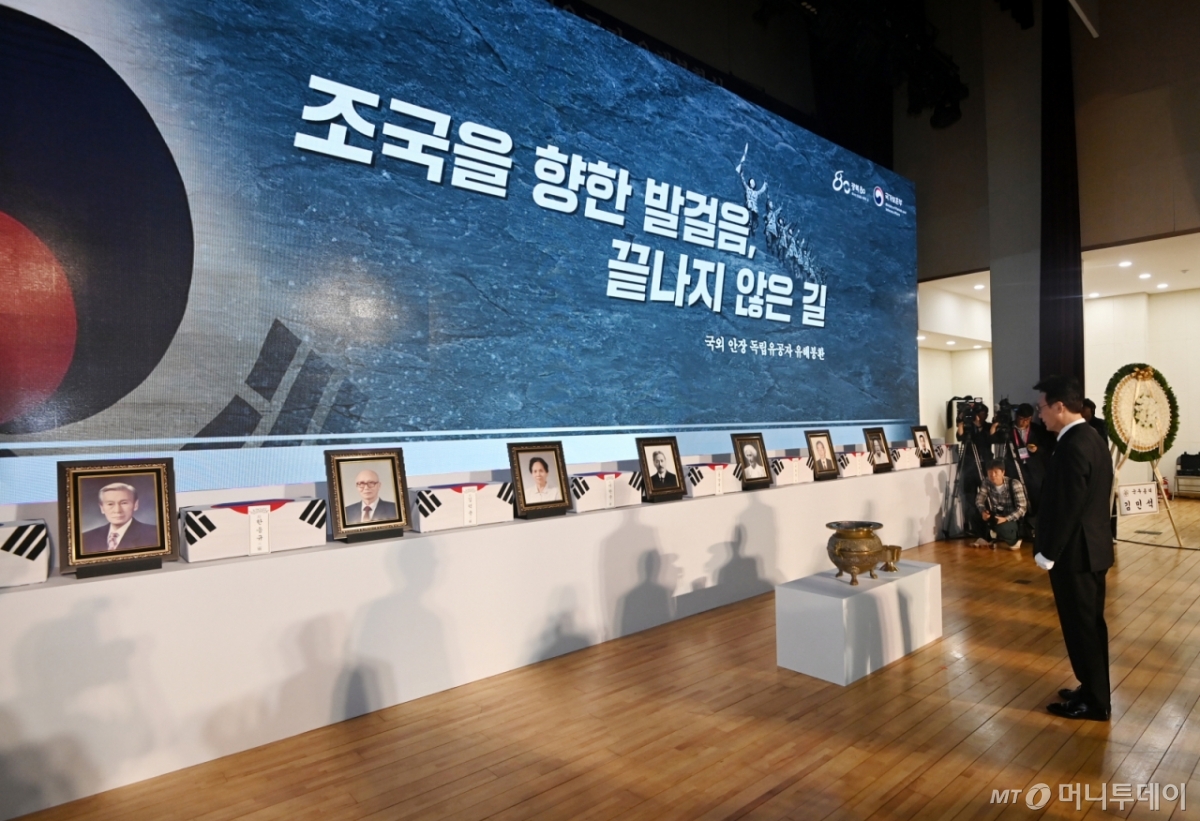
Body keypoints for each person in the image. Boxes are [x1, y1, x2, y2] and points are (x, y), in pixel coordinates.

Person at [1034, 375, 1115, 721]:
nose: (1039, 415)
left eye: (1042, 407)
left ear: (1059, 406)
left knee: (1083, 629)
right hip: (1091, 549)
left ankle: (1095, 703)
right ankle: (1091, 688)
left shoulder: (1074, 444)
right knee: (1089, 627)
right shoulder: (1091, 437)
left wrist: (1049, 551)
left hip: (1076, 554)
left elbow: (1068, 505)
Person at [81, 483, 160, 554]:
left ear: (135, 505)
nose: (117, 510)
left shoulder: (155, 534)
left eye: (124, 503)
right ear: (102, 508)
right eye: (110, 504)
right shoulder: (85, 538)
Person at [973, 459, 1027, 550]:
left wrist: (1006, 519)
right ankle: (986, 538)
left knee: (1001, 527)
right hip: (997, 514)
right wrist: (983, 512)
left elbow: (1022, 508)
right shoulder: (987, 482)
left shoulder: (1014, 483)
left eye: (996, 472)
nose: (993, 475)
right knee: (974, 515)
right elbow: (979, 500)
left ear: (1003, 472)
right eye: (990, 473)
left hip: (1012, 517)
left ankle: (1015, 540)